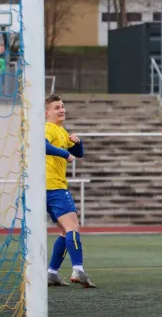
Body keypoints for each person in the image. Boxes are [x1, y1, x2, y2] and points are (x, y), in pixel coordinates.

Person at [45, 94, 95, 288]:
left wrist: (77, 142)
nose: (62, 110)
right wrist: (65, 152)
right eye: (57, 107)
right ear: (47, 113)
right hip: (54, 187)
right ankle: (78, 269)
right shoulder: (49, 128)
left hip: (47, 188)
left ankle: (52, 273)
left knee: (65, 232)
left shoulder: (61, 131)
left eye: (63, 106)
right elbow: (43, 145)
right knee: (73, 226)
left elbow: (79, 154)